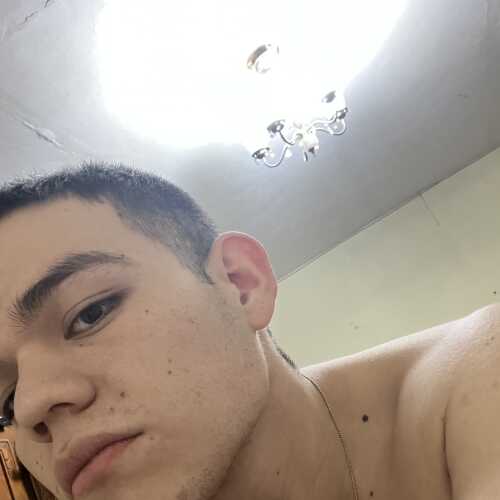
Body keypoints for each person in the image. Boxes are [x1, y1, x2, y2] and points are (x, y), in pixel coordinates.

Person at [0, 162, 497, 500]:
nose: (30, 408)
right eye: (5, 401)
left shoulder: (475, 378)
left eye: (90, 314)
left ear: (242, 285)